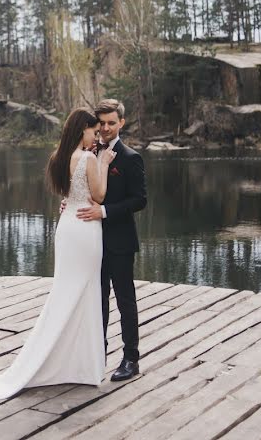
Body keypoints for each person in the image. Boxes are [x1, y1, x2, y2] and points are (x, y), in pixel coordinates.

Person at [0, 108, 116, 404]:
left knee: (66, 293)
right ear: (82, 129)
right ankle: (82, 365)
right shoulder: (89, 157)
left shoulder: (59, 157)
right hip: (85, 229)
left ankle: (71, 362)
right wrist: (105, 163)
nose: (96, 137)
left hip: (68, 226)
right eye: (93, 131)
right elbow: (100, 195)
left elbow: (68, 194)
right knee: (84, 294)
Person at [76, 99, 147, 382]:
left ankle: (131, 359)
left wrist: (103, 211)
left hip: (119, 242)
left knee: (125, 301)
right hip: (90, 241)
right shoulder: (87, 153)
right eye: (101, 123)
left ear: (121, 123)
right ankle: (97, 356)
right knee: (97, 300)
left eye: (111, 123)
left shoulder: (130, 158)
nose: (105, 128)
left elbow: (140, 200)